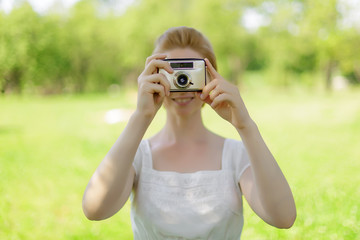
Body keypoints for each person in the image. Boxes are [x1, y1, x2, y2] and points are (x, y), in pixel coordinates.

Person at [82, 26, 296, 239]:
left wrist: (245, 126)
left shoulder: (235, 154)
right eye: (172, 73)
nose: (182, 83)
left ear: (211, 78)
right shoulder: (138, 156)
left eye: (191, 73)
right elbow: (95, 209)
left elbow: (283, 218)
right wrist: (141, 116)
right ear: (154, 76)